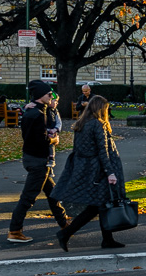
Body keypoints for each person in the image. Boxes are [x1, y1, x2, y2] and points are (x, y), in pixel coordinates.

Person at [54, 95, 127, 251]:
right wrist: (110, 172)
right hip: (98, 171)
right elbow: (103, 151)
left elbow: (79, 150)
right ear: (101, 109)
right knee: (97, 206)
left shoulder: (81, 124)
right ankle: (66, 233)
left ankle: (107, 239)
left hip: (87, 169)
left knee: (100, 205)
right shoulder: (98, 124)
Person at [8, 80, 70, 243]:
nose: (51, 97)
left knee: (53, 193)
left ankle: (64, 223)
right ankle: (14, 231)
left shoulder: (35, 110)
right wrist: (53, 140)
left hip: (34, 158)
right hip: (38, 160)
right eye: (49, 94)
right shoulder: (36, 114)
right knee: (28, 197)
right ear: (41, 96)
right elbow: (37, 140)